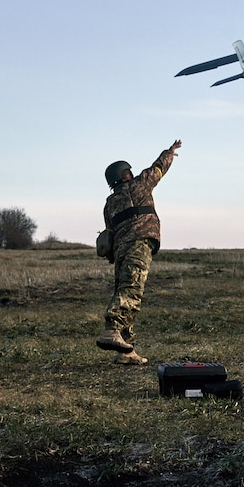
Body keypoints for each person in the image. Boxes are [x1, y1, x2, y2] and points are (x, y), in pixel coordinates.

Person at [96, 139, 182, 365]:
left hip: (121, 250)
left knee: (124, 290)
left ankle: (126, 350)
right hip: (139, 243)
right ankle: (112, 328)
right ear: (126, 174)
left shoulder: (109, 203)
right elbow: (159, 168)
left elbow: (109, 232)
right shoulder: (139, 185)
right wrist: (170, 151)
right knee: (132, 291)